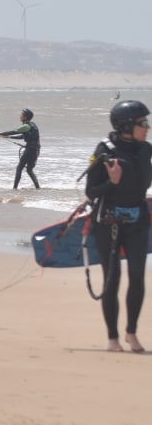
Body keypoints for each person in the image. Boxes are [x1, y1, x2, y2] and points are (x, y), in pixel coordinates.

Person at [85, 100, 152, 353]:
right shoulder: (104, 150)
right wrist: (111, 183)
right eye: (143, 123)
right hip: (108, 223)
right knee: (112, 280)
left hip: (138, 222)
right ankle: (112, 339)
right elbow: (90, 191)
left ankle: (131, 333)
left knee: (137, 278)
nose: (147, 127)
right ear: (126, 126)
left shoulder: (146, 149)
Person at [0, 108, 40, 189]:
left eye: (21, 115)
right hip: (36, 149)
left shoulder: (26, 126)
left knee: (19, 168)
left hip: (30, 149)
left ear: (25, 117)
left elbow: (13, 131)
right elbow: (23, 136)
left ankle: (15, 188)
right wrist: (9, 137)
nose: (20, 116)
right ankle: (38, 188)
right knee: (29, 170)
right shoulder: (32, 125)